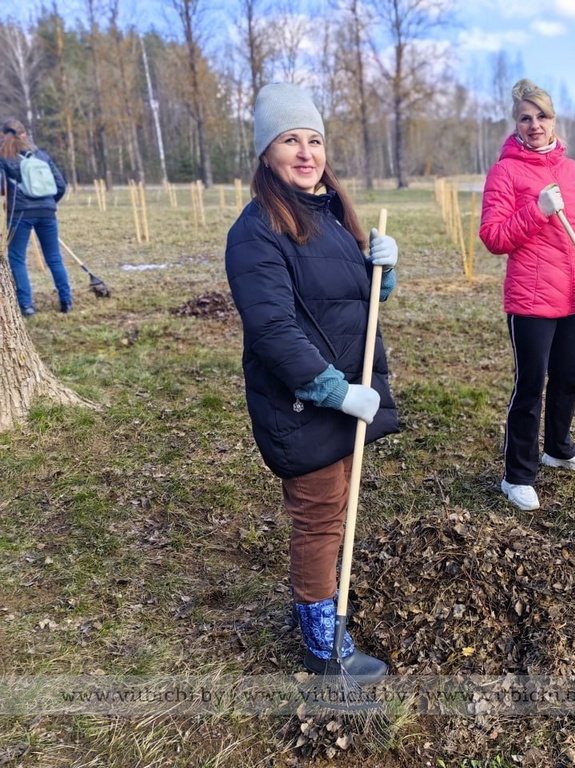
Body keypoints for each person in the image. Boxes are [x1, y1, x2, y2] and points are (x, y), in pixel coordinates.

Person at [225, 83, 400, 680]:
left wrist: (384, 270)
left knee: (337, 510)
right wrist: (334, 391)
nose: (306, 152)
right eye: (290, 140)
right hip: (303, 405)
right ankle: (322, 649)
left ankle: (320, 607)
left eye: (315, 139)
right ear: (265, 154)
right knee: (321, 518)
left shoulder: (328, 216)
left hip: (340, 401)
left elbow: (354, 300)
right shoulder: (255, 232)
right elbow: (273, 330)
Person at [479, 78, 575, 512]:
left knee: (567, 379)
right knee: (530, 385)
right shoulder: (505, 171)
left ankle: (558, 447)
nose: (534, 124)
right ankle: (516, 475)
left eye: (541, 116)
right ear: (516, 123)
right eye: (525, 117)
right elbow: (494, 236)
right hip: (532, 300)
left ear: (554, 120)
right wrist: (535, 211)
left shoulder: (572, 171)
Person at [0, 119, 73, 316]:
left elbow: (0, 187)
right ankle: (66, 301)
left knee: (17, 259)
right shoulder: (41, 155)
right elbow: (61, 186)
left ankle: (26, 306)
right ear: (24, 134)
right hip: (47, 212)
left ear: (5, 134)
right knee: (54, 258)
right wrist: (48, 204)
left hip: (20, 213)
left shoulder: (4, 156)